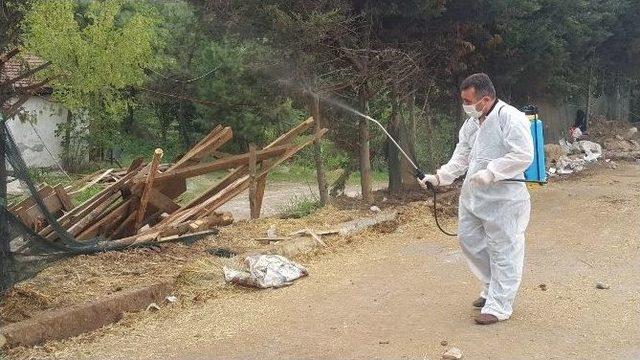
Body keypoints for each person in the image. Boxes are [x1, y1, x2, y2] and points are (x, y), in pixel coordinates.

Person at [419, 73, 534, 325]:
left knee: (504, 248)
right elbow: (461, 155)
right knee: (469, 240)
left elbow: (524, 155)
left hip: (504, 199)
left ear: (486, 98)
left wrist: (492, 172)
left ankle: (500, 305)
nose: (465, 106)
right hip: (473, 196)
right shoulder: (472, 123)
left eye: (468, 100)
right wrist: (440, 177)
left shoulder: (510, 119)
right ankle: (492, 286)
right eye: (463, 100)